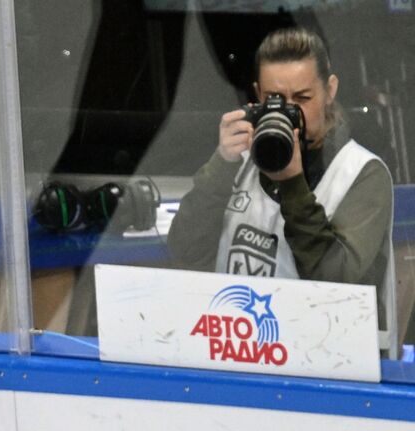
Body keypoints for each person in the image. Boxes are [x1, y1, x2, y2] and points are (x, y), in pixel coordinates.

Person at [168, 26, 396, 333]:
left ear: (329, 91)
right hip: (237, 347)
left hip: (325, 360)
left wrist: (292, 184)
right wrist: (221, 165)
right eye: (275, 99)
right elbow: (185, 250)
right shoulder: (241, 161)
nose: (290, 111)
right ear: (258, 97)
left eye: (302, 98)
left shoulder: (360, 173)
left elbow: (337, 283)